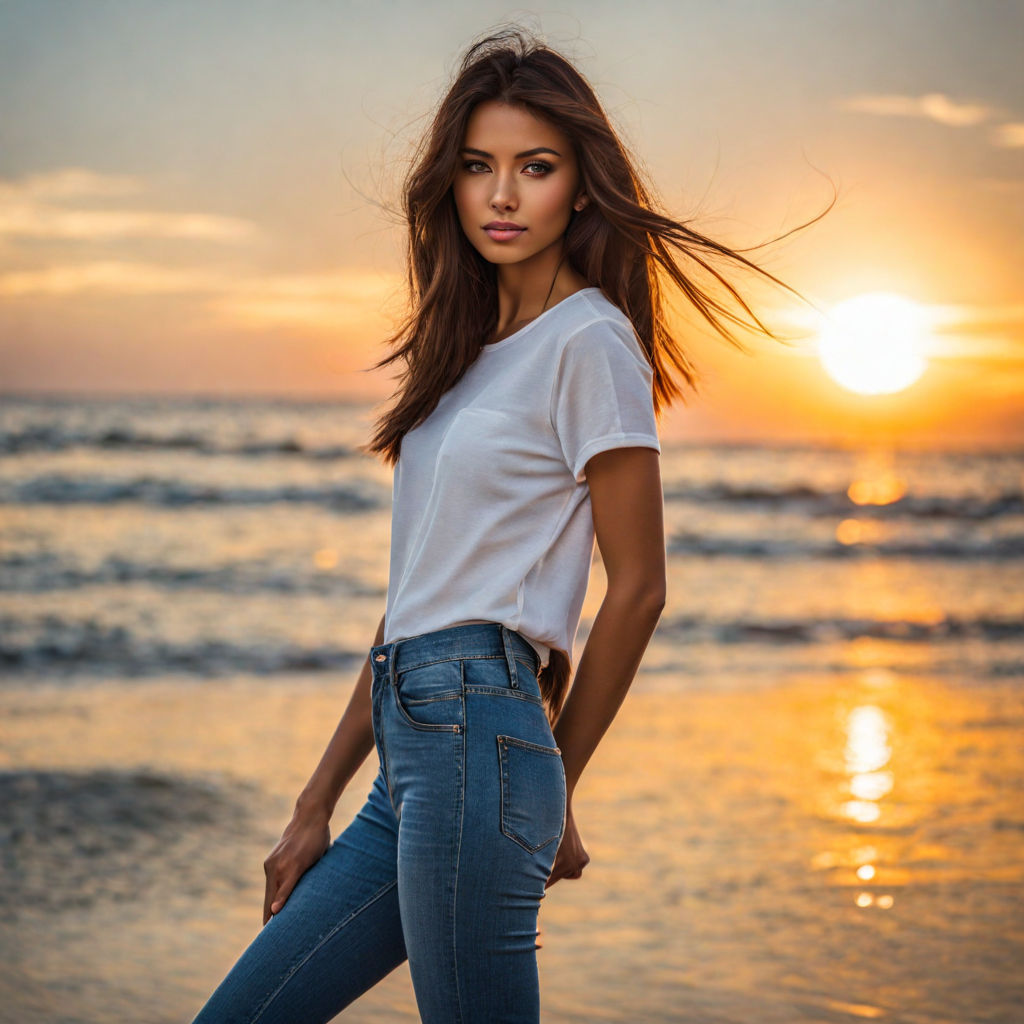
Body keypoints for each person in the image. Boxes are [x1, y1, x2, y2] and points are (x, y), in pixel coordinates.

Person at [190, 24, 829, 1024]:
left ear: (579, 185)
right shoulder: (460, 356)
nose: (500, 194)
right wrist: (314, 799)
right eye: (477, 167)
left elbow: (641, 586)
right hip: (411, 742)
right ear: (447, 183)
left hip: (483, 736)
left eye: (534, 168)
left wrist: (551, 785)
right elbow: (412, 604)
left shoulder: (591, 341)